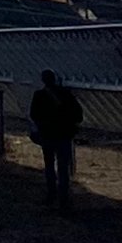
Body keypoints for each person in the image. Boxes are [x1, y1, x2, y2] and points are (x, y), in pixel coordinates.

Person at [29, 68, 84, 210]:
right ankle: (64, 196)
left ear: (43, 80)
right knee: (63, 166)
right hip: (64, 135)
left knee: (49, 164)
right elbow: (78, 114)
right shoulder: (66, 94)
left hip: (47, 135)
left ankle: (51, 193)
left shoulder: (39, 95)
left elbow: (34, 115)